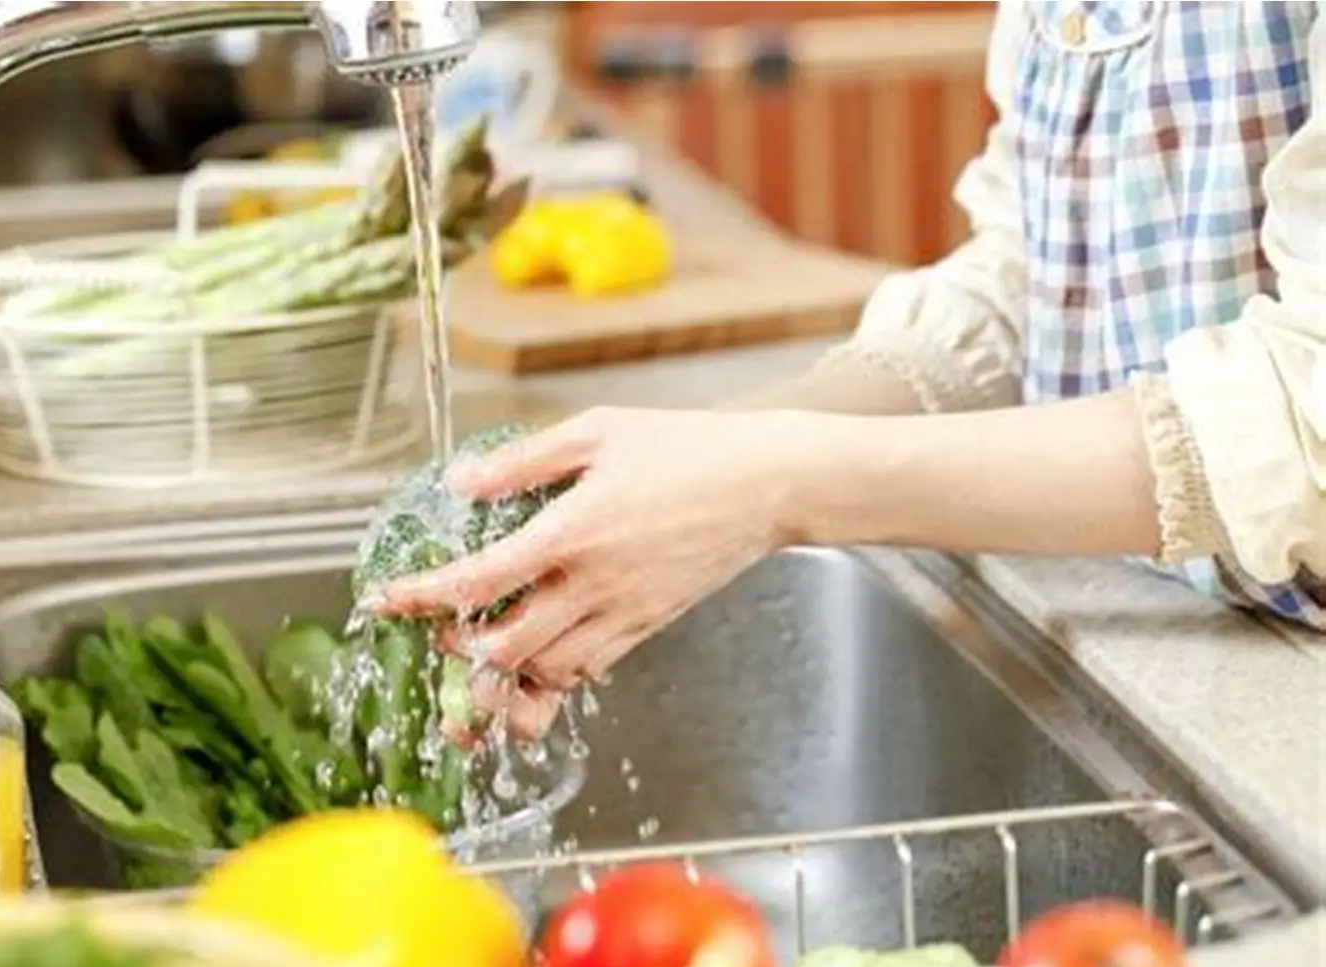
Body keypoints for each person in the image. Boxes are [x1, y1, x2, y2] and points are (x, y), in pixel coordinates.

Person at [373, 1, 1326, 737]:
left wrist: (769, 483)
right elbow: (1037, 280)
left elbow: (1308, 425)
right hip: (1192, 648)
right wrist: (706, 455)